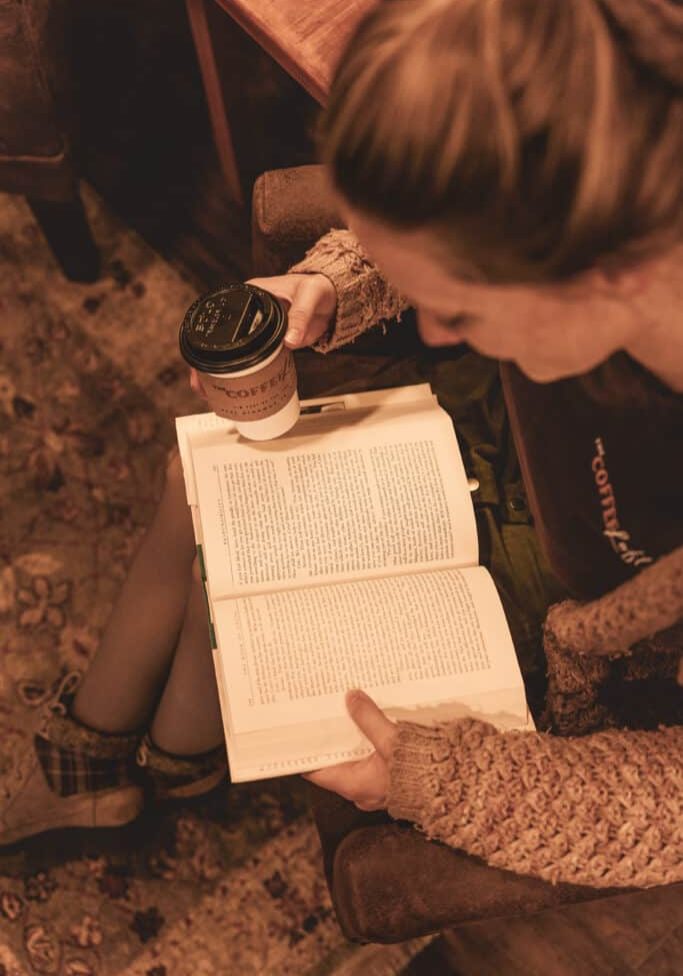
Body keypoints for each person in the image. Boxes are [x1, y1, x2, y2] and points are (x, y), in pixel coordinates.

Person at [2, 0, 681, 891]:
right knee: (211, 481)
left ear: (596, 268)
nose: (432, 324)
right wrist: (338, 281)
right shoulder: (624, 160)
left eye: (462, 307)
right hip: (491, 460)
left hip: (565, 643)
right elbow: (470, 193)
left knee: (235, 559)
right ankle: (123, 763)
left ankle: (126, 766)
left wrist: (441, 780)